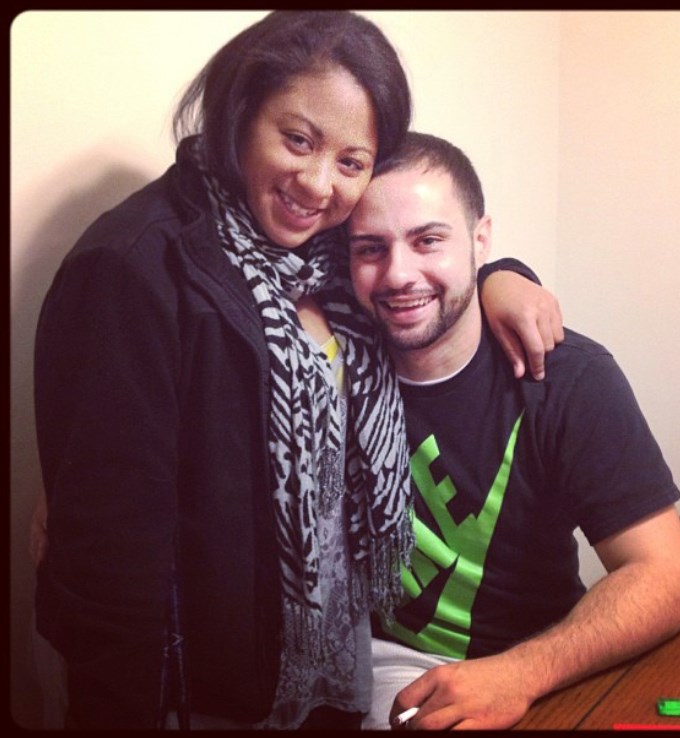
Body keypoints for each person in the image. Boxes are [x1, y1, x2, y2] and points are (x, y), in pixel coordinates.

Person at [30, 11, 564, 731]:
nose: (318, 184)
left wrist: (501, 275)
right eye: (298, 140)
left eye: (352, 161)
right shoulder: (136, 268)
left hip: (329, 670)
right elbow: (108, 562)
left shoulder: (329, 253)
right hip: (197, 694)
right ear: (240, 113)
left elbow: (425, 245)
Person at [347, 132, 680, 731]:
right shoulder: (330, 359)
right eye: (370, 248)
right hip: (382, 661)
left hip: (541, 661)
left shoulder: (567, 377)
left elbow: (664, 577)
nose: (398, 274)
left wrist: (519, 673)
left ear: (481, 240)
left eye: (429, 240)